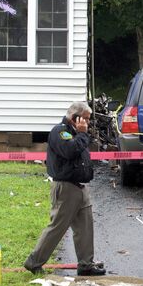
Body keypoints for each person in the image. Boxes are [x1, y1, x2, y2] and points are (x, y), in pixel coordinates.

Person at [24, 101, 106, 276]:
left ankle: (86, 264)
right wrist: (83, 135)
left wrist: (82, 135)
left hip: (81, 187)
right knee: (57, 227)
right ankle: (34, 262)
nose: (87, 123)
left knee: (85, 227)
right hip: (66, 188)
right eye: (85, 119)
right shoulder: (60, 131)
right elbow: (69, 151)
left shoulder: (76, 133)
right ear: (74, 117)